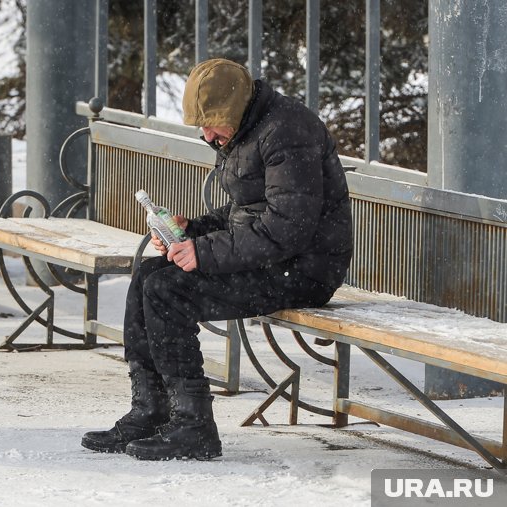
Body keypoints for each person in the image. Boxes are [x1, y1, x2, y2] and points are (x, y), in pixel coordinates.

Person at [81, 58, 353, 460]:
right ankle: (151, 410)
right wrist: (192, 229)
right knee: (150, 274)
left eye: (212, 122)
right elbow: (248, 211)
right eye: (201, 125)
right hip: (274, 259)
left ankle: (194, 426)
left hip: (306, 270)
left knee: (167, 289)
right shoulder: (243, 129)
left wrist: (203, 252)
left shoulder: (288, 131)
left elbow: (288, 227)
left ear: (235, 107)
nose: (207, 134)